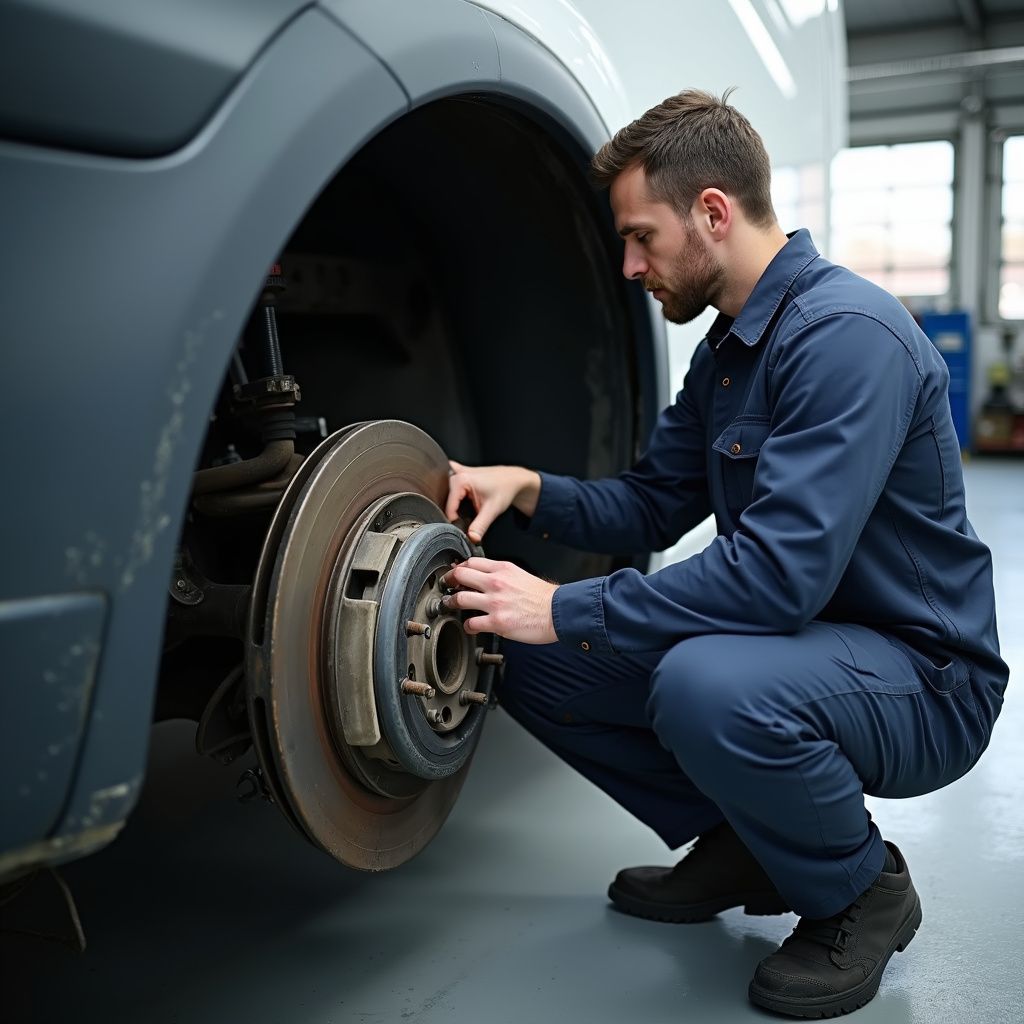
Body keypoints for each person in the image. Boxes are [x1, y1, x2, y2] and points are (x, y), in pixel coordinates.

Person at [438, 89, 1008, 1018]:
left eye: (641, 238)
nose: (628, 266)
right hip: (804, 646)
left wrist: (567, 604)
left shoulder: (846, 338)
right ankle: (751, 838)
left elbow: (780, 577)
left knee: (704, 684)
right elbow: (654, 503)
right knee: (522, 653)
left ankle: (862, 890)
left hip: (924, 675)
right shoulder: (729, 352)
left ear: (712, 212)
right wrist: (528, 487)